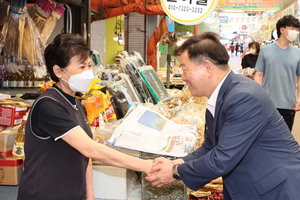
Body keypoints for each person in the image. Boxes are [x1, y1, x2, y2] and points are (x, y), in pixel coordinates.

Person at [145, 32, 300, 200]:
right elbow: (211, 146)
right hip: (249, 186)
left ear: (207, 67)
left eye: (184, 69)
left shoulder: (244, 97)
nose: (182, 77)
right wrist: (176, 163)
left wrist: (175, 172)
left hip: (274, 189)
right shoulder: (221, 95)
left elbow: (222, 158)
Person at [17, 33, 152, 200]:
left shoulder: (75, 101)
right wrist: (146, 165)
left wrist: (90, 195)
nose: (88, 72)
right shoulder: (48, 105)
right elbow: (90, 149)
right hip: (44, 194)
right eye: (81, 67)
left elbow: (85, 152)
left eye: (89, 65)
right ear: (58, 71)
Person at [254, 15, 300, 131]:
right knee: (266, 138)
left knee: (284, 139)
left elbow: (299, 78)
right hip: (267, 103)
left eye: (296, 29)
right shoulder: (265, 50)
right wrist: (258, 96)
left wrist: (299, 98)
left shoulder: (297, 53)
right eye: (292, 29)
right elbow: (258, 74)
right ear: (282, 30)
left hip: (288, 104)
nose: (295, 32)